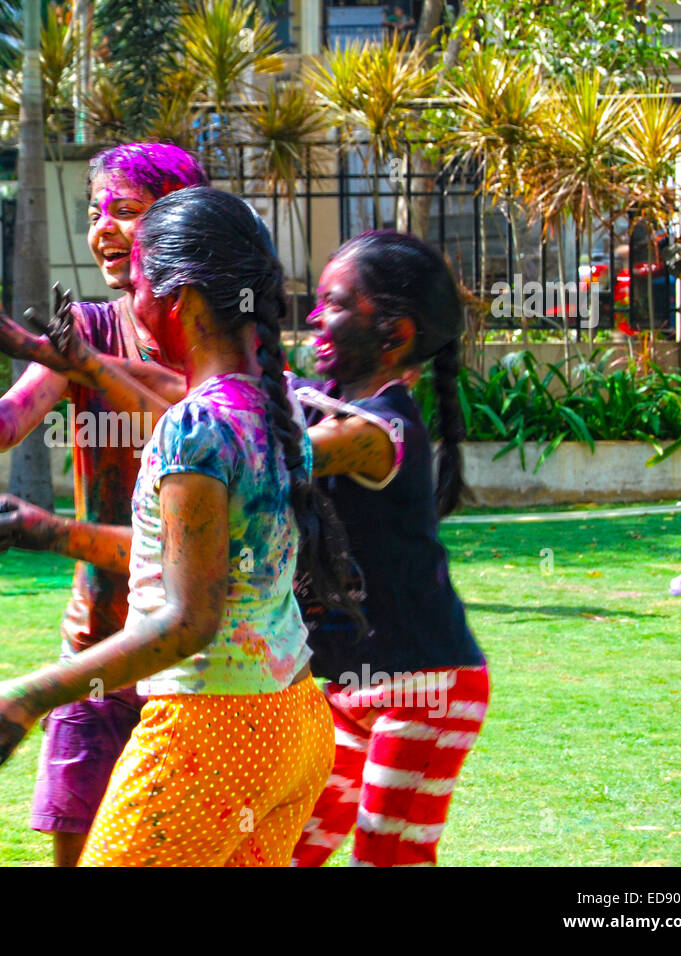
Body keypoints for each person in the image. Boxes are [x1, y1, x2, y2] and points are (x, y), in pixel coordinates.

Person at [0, 186, 367, 867]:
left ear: (184, 298)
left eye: (139, 285)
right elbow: (187, 559)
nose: (132, 305)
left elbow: (187, 621)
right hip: (293, 724)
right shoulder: (273, 408)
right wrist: (52, 530)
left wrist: (30, 694)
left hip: (209, 732)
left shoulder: (195, 427)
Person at [0, 143, 207, 866]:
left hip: (198, 653)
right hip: (96, 639)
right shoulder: (86, 331)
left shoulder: (221, 347)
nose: (102, 229)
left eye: (125, 211)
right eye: (94, 213)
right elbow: (2, 422)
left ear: (183, 221)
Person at [287, 229, 489, 867]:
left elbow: (264, 451)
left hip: (426, 685)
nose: (317, 315)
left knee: (388, 855)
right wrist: (89, 365)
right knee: (290, 845)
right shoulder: (322, 405)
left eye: (337, 303)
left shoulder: (381, 430)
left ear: (395, 333)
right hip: (344, 687)